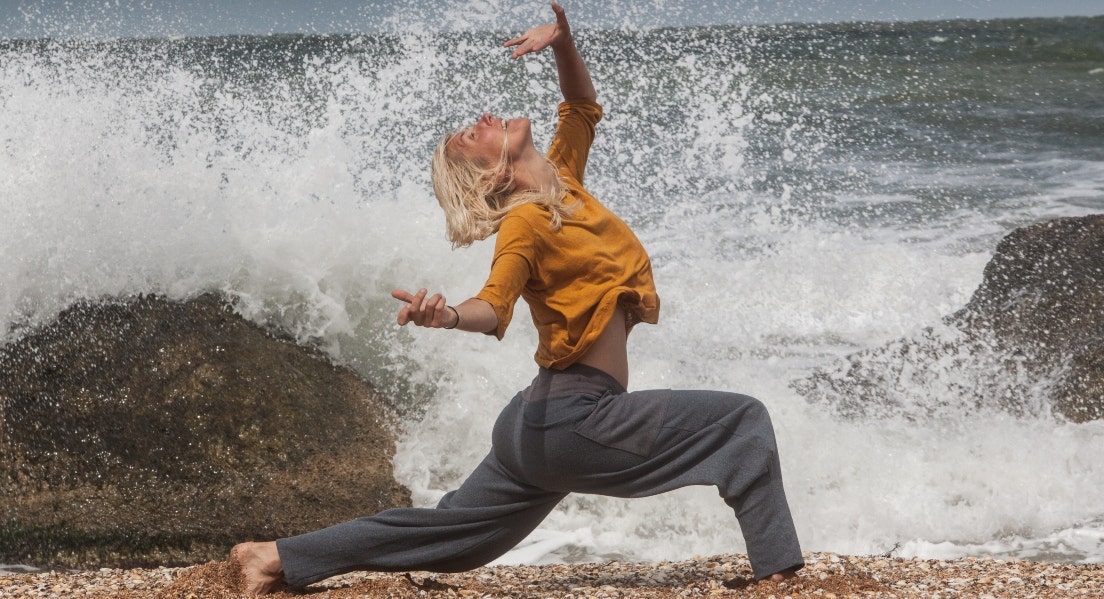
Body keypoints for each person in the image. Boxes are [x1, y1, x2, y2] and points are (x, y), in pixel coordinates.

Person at [232, 3, 803, 594]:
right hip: (572, 419)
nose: (482, 118)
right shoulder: (525, 224)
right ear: (488, 177)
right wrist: (448, 315)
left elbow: (582, 108)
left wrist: (563, 43)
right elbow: (493, 305)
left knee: (452, 539)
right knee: (742, 420)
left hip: (537, 421)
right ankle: (781, 573)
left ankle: (275, 556)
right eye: (470, 136)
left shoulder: (563, 182)